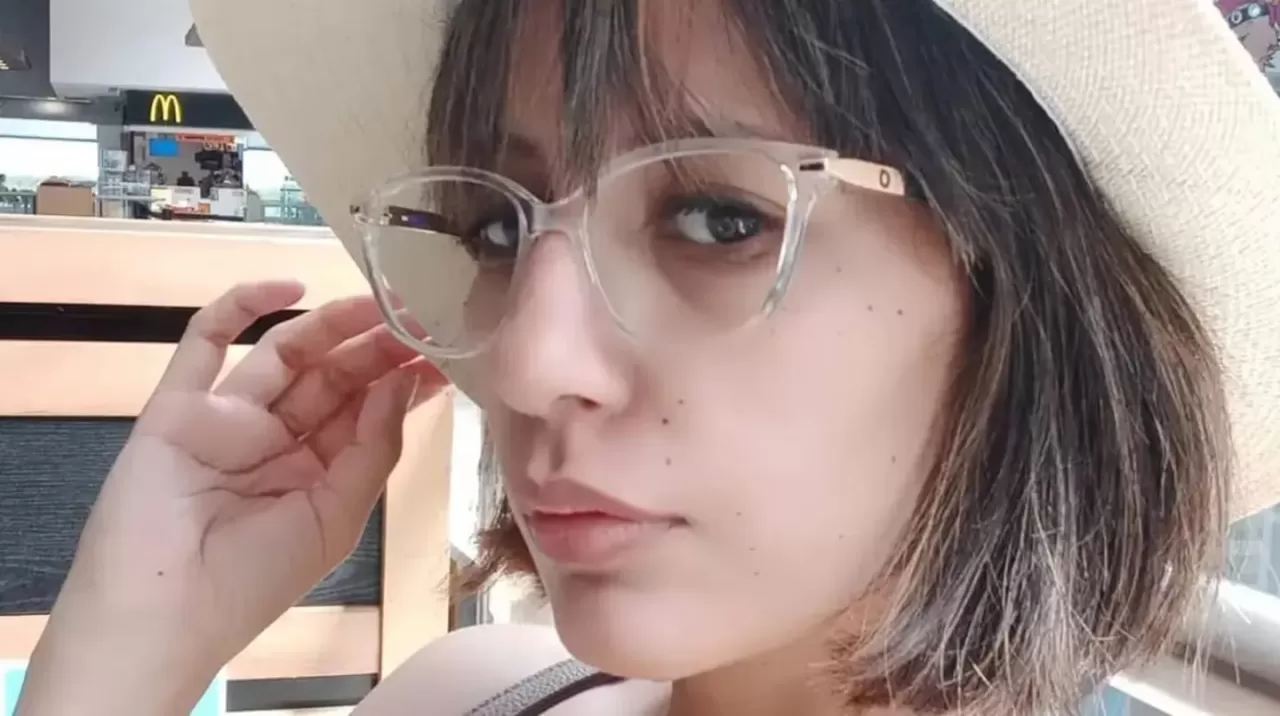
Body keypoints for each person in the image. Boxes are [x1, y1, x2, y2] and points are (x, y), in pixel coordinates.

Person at [17, 1, 1280, 715]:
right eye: (496, 227)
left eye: (717, 219)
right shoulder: (461, 698)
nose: (524, 362)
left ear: (1024, 296)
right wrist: (130, 647)